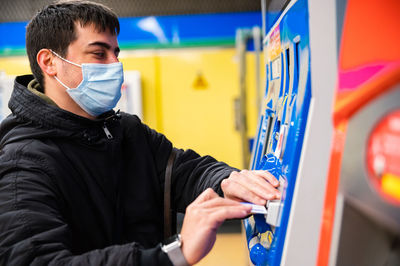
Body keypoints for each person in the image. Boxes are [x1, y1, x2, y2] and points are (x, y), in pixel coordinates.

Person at [0, 1, 280, 265]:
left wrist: (228, 180)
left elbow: (185, 171)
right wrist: (173, 255)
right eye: (99, 53)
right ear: (49, 62)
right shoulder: (22, 163)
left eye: (115, 53)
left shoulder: (125, 132)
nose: (114, 65)